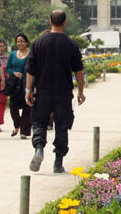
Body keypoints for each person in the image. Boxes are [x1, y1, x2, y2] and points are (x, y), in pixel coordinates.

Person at [25, 11, 85, 173]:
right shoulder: (70, 44)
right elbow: (79, 71)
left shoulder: (38, 43)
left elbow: (31, 70)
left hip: (43, 90)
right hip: (63, 92)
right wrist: (80, 91)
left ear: (49, 21)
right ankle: (58, 162)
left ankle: (39, 148)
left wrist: (28, 90)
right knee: (61, 126)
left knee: (39, 122)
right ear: (64, 23)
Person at [6, 33, 32, 139]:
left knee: (27, 107)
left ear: (26, 42)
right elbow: (8, 68)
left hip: (27, 83)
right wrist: (14, 73)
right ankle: (17, 125)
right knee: (13, 107)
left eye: (22, 41)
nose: (20, 43)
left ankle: (24, 132)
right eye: (18, 41)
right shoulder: (12, 54)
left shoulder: (31, 54)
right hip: (15, 85)